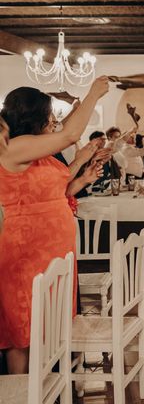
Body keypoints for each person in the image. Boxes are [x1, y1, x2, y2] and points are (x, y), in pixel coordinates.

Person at [0, 77, 109, 374]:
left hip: (51, 249)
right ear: (33, 116)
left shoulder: (37, 150)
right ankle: (22, 389)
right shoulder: (13, 147)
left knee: (47, 323)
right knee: (23, 329)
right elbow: (69, 134)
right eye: (48, 114)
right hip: (26, 248)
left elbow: (53, 191)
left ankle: (47, 385)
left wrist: (82, 173)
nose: (53, 120)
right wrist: (93, 94)